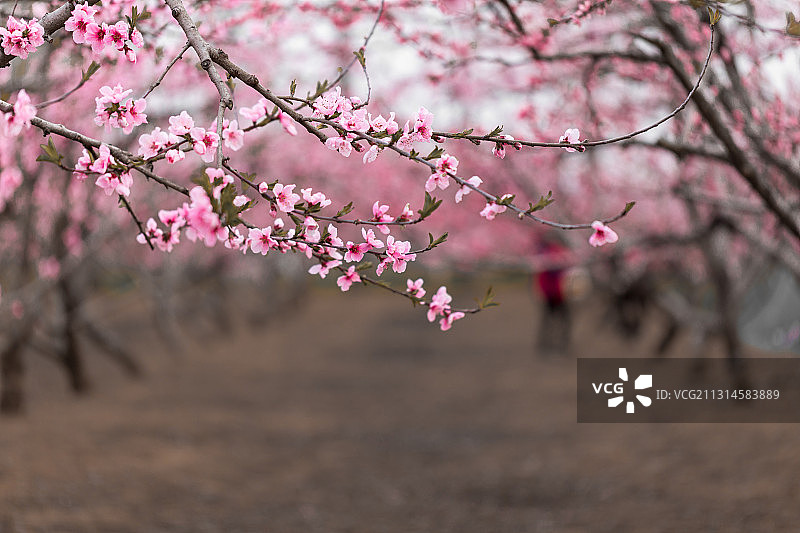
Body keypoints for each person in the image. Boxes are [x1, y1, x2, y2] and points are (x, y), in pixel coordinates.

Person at [533, 240, 572, 357]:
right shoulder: (553, 257)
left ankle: (554, 343)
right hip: (556, 295)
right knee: (556, 321)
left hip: (555, 295)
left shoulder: (547, 257)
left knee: (554, 321)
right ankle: (552, 343)